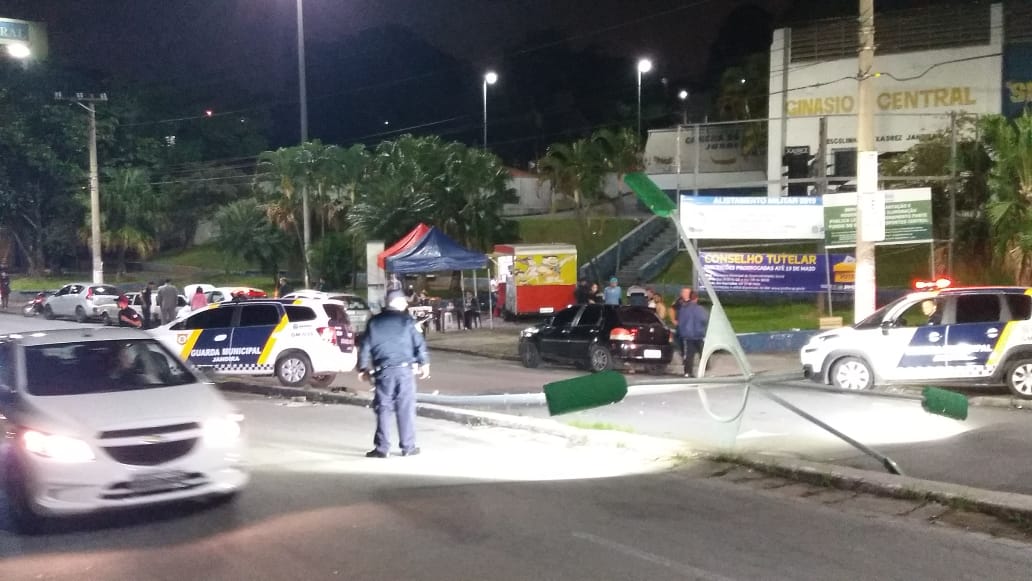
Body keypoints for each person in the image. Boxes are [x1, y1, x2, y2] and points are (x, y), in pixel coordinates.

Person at [358, 288, 430, 458]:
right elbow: (419, 343)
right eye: (403, 300)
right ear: (396, 302)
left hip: (383, 372)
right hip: (405, 371)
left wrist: (362, 368)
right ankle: (408, 447)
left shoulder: (374, 322)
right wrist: (424, 363)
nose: (406, 303)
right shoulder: (408, 321)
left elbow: (365, 347)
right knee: (405, 408)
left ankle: (382, 448)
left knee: (383, 408)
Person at [671, 287, 709, 378]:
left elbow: (680, 322)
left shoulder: (683, 309)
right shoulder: (700, 309)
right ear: (696, 299)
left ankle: (688, 372)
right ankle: (705, 368)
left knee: (689, 355)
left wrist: (682, 331)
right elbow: (705, 320)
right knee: (703, 352)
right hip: (698, 334)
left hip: (688, 336)